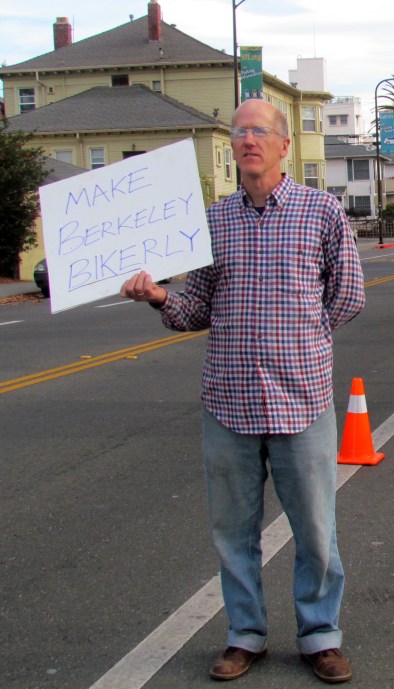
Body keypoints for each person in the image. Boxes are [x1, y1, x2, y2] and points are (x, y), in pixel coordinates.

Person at [120, 99, 365, 684]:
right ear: (232, 147)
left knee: (314, 529)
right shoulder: (213, 220)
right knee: (233, 531)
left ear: (284, 145)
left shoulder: (321, 211)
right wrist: (158, 297)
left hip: (299, 399)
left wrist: (299, 341)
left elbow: (350, 294)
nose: (248, 140)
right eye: (239, 132)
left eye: (260, 131)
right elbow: (195, 307)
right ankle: (245, 634)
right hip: (227, 400)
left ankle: (320, 636)